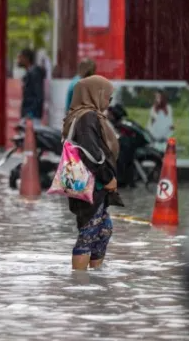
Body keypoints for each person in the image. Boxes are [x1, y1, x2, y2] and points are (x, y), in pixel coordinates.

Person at [63, 75, 124, 271]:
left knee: (104, 230)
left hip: (89, 183)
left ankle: (95, 280)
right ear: (96, 94)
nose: (109, 102)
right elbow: (91, 151)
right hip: (91, 184)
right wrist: (107, 177)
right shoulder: (86, 117)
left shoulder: (81, 115)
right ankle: (80, 284)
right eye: (108, 97)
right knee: (89, 232)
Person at [17, 48, 46, 125]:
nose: (18, 60)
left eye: (20, 57)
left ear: (26, 58)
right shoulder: (30, 73)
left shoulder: (34, 73)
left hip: (32, 117)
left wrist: (30, 113)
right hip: (29, 116)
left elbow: (39, 96)